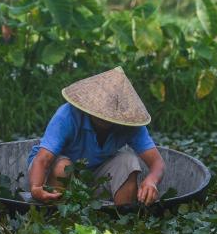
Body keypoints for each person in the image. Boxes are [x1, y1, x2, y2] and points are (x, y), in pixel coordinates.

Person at [26, 67, 165, 206]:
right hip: (51, 174)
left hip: (95, 176)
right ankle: (55, 214)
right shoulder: (67, 115)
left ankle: (121, 219)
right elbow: (43, 160)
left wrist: (151, 181)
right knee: (63, 167)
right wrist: (35, 188)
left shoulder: (130, 123)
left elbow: (157, 163)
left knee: (128, 160)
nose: (105, 118)